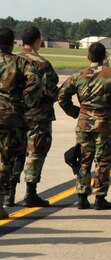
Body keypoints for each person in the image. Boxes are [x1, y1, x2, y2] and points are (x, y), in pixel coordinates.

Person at [58, 42, 111, 210]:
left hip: (84, 123)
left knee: (84, 160)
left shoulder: (78, 76)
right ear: (105, 57)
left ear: (88, 57)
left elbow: (62, 95)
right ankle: (100, 197)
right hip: (105, 124)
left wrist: (76, 112)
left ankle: (82, 196)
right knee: (103, 161)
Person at [4, 26, 59, 208]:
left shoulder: (13, 59)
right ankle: (30, 193)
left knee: (14, 152)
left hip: (15, 114)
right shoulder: (42, 63)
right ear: (37, 41)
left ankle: (9, 193)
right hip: (38, 115)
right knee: (36, 152)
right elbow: (51, 90)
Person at [0, 27, 42, 219]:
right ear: (12, 44)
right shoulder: (19, 63)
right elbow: (35, 82)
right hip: (11, 117)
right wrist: (24, 101)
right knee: (6, 160)